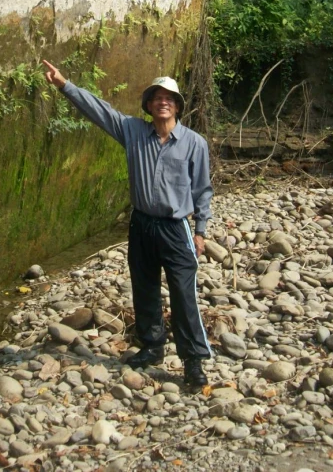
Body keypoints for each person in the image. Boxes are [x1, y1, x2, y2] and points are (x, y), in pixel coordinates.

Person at [42, 60, 213, 388]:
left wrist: (201, 231)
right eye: (156, 97)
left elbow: (202, 190)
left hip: (176, 228)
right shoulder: (133, 131)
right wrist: (65, 85)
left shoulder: (195, 144)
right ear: (148, 105)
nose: (163, 102)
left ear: (177, 106)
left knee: (183, 293)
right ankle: (152, 346)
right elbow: (100, 111)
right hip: (141, 224)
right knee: (144, 286)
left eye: (169, 98)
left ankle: (194, 360)